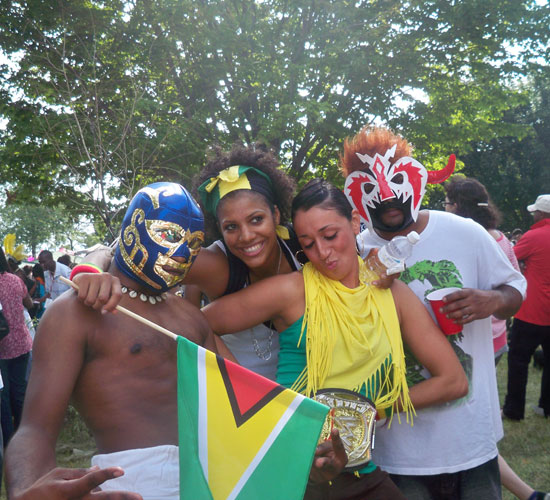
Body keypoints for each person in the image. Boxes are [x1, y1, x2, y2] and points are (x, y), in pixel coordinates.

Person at [202, 179, 468, 500]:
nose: (323, 252)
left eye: (330, 236)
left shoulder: (392, 293)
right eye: (308, 244)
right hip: (291, 467)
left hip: (357, 469)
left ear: (355, 222)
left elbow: (453, 381)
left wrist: (373, 410)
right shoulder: (292, 290)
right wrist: (249, 395)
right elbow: (198, 323)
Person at [347, 126, 526, 499]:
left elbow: (515, 290)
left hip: (471, 438)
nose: (387, 198)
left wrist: (490, 302)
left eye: (396, 184)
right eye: (373, 192)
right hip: (399, 452)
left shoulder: (463, 232)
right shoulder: (355, 253)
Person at [5, 183, 216, 500]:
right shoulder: (78, 312)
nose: (183, 252)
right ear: (133, 228)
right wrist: (25, 490)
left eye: (194, 243)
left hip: (209, 481)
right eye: (170, 235)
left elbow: (241, 402)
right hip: (129, 485)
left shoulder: (192, 318)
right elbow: (35, 429)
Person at [444, 178, 548, 500]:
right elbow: (511, 275)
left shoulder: (467, 240)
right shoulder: (501, 238)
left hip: (473, 343)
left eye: (447, 202)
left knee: (465, 423)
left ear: (458, 206)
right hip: (498, 338)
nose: (444, 208)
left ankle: (518, 487)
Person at [503, 194, 550, 421]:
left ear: (542, 214)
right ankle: (546, 407)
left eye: (535, 212)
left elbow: (508, 258)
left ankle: (513, 410)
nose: (532, 216)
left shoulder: (534, 235)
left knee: (519, 361)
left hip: (532, 311)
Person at [0, 246, 34, 449]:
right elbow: (29, 304)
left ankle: (8, 440)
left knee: (3, 397)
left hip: (2, 348)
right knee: (20, 392)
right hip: (21, 343)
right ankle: (23, 438)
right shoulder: (15, 280)